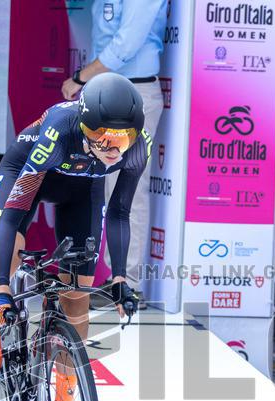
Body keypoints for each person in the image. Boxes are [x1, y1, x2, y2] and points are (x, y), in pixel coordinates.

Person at [0, 74, 148, 401]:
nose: (112, 147)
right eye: (101, 136)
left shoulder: (140, 145)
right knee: (2, 254)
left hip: (81, 191)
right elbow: (14, 212)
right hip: (28, 172)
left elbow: (119, 213)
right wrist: (2, 285)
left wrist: (119, 277)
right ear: (84, 125)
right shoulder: (59, 128)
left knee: (77, 300)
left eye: (122, 139)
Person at [61, 0, 166, 306]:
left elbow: (126, 43)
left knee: (128, 191)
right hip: (110, 90)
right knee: (110, 191)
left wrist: (81, 76)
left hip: (134, 92)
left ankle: (128, 283)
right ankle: (116, 279)